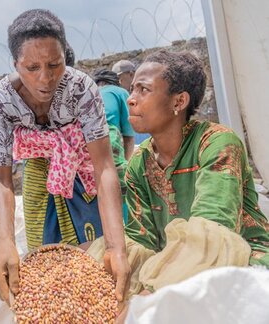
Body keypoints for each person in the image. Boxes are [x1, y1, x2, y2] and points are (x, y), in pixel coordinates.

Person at [88, 49, 269, 322]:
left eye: (144, 90)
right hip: (169, 266)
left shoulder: (216, 143)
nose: (132, 99)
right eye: (133, 88)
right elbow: (140, 238)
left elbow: (213, 230)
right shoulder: (140, 162)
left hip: (241, 262)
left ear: (179, 101)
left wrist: (148, 296)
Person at [0, 9, 130, 306]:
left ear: (66, 56)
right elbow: (1, 178)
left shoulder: (82, 88)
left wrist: (116, 246)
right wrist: (5, 242)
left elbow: (103, 167)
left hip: (82, 170)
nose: (45, 78)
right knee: (45, 260)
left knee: (94, 255)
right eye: (32, 67)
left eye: (54, 64)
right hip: (39, 174)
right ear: (15, 64)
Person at [93, 68, 135, 223]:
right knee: (123, 188)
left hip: (85, 149)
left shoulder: (88, 94)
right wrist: (125, 164)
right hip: (109, 142)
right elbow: (129, 137)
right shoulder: (120, 92)